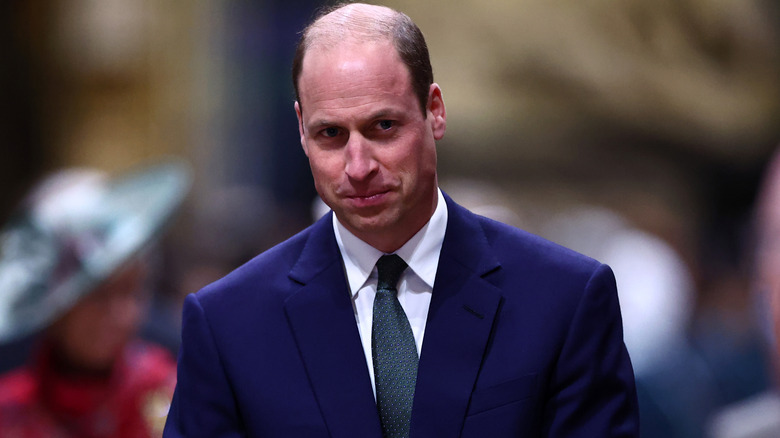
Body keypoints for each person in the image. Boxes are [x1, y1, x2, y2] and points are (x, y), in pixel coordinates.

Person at [164, 3, 639, 437]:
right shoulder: (228, 323)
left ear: (434, 111)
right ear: (301, 132)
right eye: (330, 133)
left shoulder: (563, 300)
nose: (358, 165)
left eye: (382, 127)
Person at [0, 160, 190, 438]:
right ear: (51, 305)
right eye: (97, 295)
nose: (123, 313)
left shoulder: (176, 397)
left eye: (132, 290)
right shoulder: (8, 413)